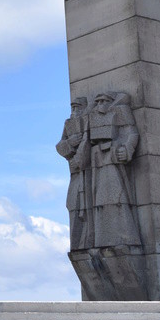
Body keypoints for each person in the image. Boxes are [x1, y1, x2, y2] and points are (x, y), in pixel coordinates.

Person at [88, 92, 141, 248]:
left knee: (119, 196)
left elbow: (132, 133)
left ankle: (125, 236)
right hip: (98, 158)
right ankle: (105, 237)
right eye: (97, 101)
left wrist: (127, 148)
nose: (100, 104)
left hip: (113, 155)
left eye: (104, 100)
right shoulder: (94, 116)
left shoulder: (119, 111)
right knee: (100, 201)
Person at [57, 97, 91, 250]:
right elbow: (60, 146)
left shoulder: (90, 120)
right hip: (76, 173)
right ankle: (78, 245)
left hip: (88, 172)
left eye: (78, 107)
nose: (74, 111)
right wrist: (71, 142)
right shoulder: (68, 124)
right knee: (72, 204)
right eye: (73, 108)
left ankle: (86, 241)